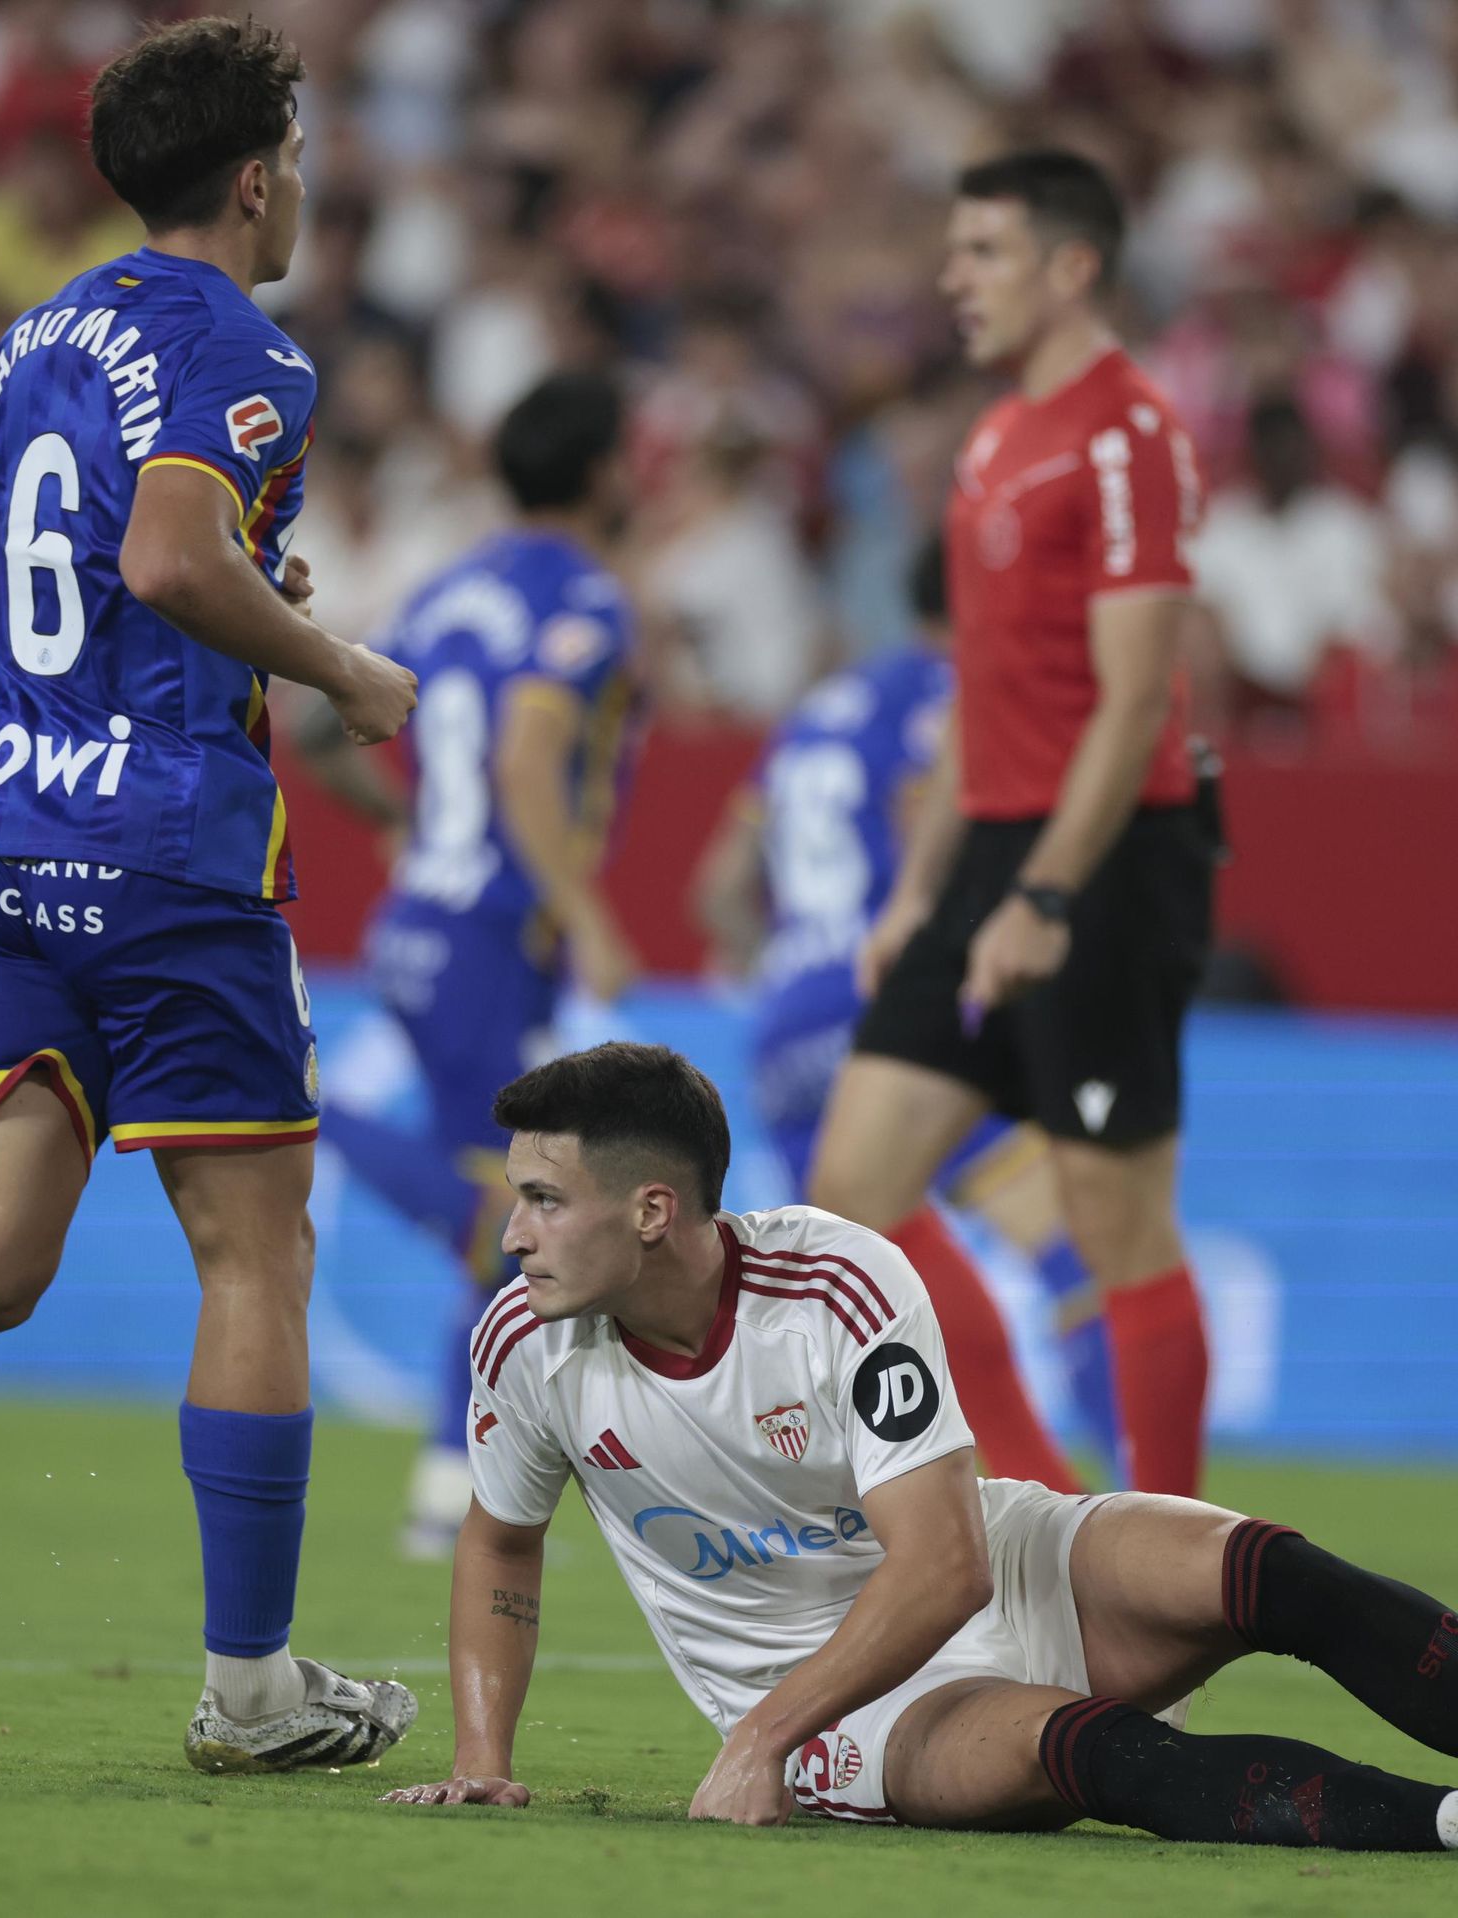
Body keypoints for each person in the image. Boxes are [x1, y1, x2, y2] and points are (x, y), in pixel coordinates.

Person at [0, 18, 421, 1773]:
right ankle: (253, 1691)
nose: (306, 186)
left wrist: (214, 574)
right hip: (163, 852)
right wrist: (331, 658)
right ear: (258, 176)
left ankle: (259, 1682)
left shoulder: (42, 330)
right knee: (257, 1251)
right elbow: (170, 554)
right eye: (302, 158)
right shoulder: (242, 344)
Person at [385, 1042, 1458, 1849]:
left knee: (1268, 1570)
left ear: (653, 1209)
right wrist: (483, 1760)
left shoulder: (834, 1282)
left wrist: (753, 1742)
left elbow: (947, 1565)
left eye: (541, 1199)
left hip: (994, 1568)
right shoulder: (526, 1339)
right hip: (845, 1706)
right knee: (1094, 1754)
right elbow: (500, 1541)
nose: (512, 1232)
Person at [808, 150, 1214, 1496]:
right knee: (851, 1191)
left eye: (983, 251)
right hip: (989, 846)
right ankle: (1035, 1500)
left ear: (1071, 265)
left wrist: (1043, 896)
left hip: (1106, 856)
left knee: (1117, 1226)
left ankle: (1171, 1541)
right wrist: (925, 892)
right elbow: (979, 697)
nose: (953, 277)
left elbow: (1136, 690)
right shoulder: (995, 437)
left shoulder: (1126, 433)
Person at [293, 369, 640, 1551]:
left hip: (420, 925)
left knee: (516, 1211)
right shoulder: (586, 594)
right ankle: (292, 1108)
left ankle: (453, 1481)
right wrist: (584, 908)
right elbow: (526, 762)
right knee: (514, 1207)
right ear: (603, 471)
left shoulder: (447, 591)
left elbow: (311, 722)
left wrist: (398, 829)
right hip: (492, 934)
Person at [694, 541, 1116, 1486]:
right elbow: (927, 806)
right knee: (1075, 1250)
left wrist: (791, 962)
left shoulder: (817, 712)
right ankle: (1145, 1515)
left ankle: (1030, 1513)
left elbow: (718, 888)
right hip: (890, 1006)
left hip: (786, 1034)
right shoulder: (954, 694)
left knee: (895, 1295)